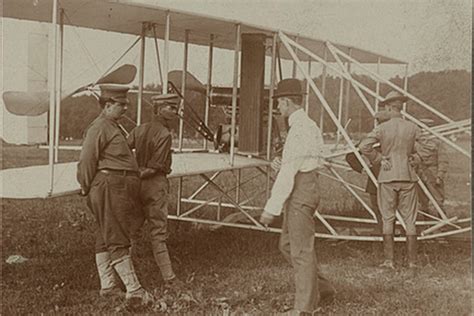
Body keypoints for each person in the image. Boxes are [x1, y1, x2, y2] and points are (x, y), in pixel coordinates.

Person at [259, 79, 335, 315]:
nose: (278, 109)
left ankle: (303, 309)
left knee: (300, 250)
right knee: (288, 244)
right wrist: (286, 162)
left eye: (279, 103)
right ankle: (323, 288)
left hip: (301, 190)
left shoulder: (299, 129)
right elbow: (316, 156)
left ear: (288, 102)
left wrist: (270, 209)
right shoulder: (307, 125)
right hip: (306, 185)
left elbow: (288, 175)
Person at [77, 84, 153, 305]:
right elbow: (87, 160)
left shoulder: (113, 126)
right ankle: (135, 291)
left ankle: (108, 286)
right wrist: (85, 185)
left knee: (105, 236)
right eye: (122, 105)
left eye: (126, 104)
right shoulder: (100, 127)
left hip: (117, 185)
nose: (126, 108)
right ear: (108, 105)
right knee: (118, 236)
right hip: (110, 185)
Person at [359, 90, 421, 272]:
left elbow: (364, 146)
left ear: (388, 108)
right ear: (400, 108)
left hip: (387, 176)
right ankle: (412, 262)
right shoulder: (412, 127)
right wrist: (416, 158)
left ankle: (389, 261)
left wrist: (379, 158)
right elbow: (430, 145)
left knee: (388, 218)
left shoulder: (382, 128)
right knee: (410, 219)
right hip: (408, 176)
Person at [127, 94, 182, 287]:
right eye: (171, 107)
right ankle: (169, 278)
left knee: (132, 230)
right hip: (154, 184)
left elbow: (124, 150)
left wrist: (132, 173)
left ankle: (126, 276)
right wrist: (141, 173)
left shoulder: (139, 128)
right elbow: (155, 167)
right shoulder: (165, 134)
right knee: (158, 232)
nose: (175, 111)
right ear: (159, 109)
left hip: (136, 185)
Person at [345, 111, 393, 235]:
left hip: (393, 179)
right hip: (377, 179)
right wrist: (363, 168)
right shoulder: (371, 139)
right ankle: (384, 234)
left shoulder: (396, 138)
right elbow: (351, 156)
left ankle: (391, 233)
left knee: (391, 209)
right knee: (379, 209)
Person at [413, 118, 448, 216]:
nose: (423, 130)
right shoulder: (415, 142)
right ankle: (426, 221)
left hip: (432, 172)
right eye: (421, 128)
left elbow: (443, 159)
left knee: (438, 199)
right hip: (419, 172)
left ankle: (443, 220)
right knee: (422, 200)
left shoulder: (437, 142)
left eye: (425, 128)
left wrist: (440, 175)